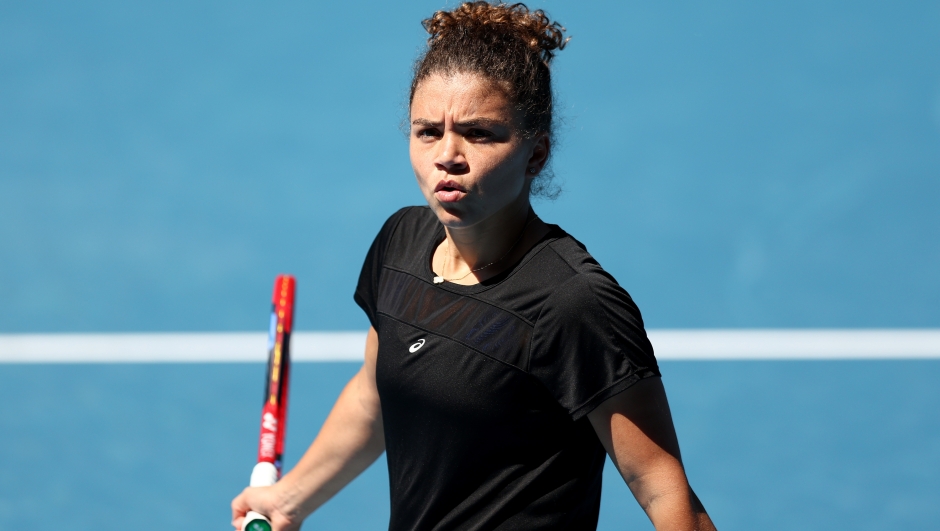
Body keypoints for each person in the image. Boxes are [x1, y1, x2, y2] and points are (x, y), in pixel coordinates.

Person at [232, 2, 717, 530]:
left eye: (479, 133)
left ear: (535, 154)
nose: (448, 155)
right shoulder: (400, 245)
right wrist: (290, 499)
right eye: (427, 132)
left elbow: (667, 496)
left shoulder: (573, 303)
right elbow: (374, 396)